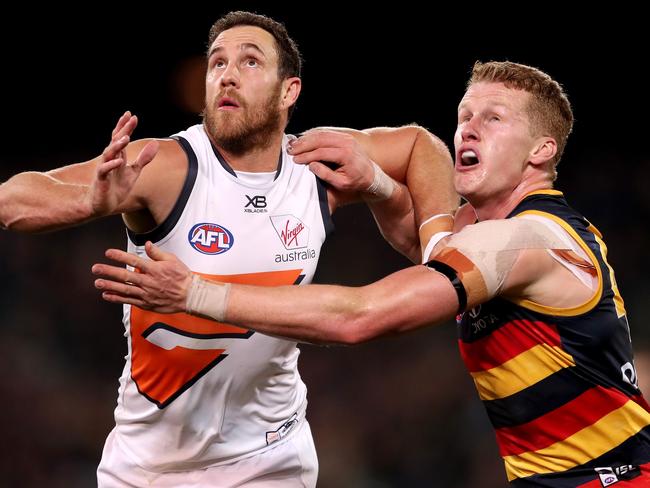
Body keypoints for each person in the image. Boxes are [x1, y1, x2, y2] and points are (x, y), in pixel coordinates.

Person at [94, 61, 650, 486]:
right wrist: (379, 187)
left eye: (493, 119)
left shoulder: (521, 240)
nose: (467, 130)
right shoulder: (518, 231)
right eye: (463, 116)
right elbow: (432, 248)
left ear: (541, 151)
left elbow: (363, 316)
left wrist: (195, 291)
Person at [0, 10, 456, 488]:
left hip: (272, 457)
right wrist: (85, 200)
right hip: (147, 467)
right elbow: (12, 200)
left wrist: (439, 242)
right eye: (217, 63)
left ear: (289, 91)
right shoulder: (167, 166)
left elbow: (420, 145)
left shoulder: (315, 165)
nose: (228, 74)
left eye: (250, 62)